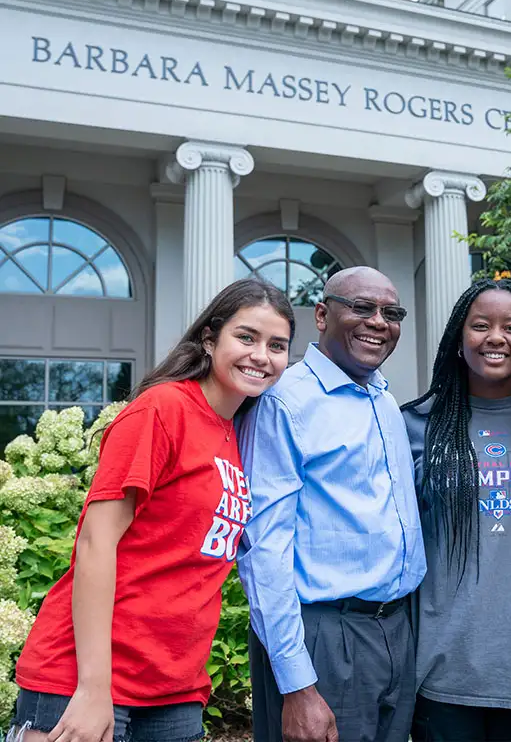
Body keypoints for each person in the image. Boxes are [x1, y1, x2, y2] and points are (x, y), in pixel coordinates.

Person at [9, 278, 294, 742]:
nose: (261, 355)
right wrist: (93, 688)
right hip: (87, 679)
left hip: (175, 689)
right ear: (209, 337)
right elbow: (96, 543)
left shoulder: (236, 432)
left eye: (277, 345)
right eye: (246, 337)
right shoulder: (162, 409)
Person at [238, 266, 426, 742]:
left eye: (391, 312)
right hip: (323, 637)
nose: (379, 322)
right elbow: (263, 551)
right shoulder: (285, 402)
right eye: (362, 308)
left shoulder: (382, 398)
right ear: (322, 315)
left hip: (395, 630)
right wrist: (298, 684)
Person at [401, 278, 511, 742]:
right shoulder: (417, 426)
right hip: (444, 675)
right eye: (480, 325)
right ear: (459, 341)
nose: (496, 337)